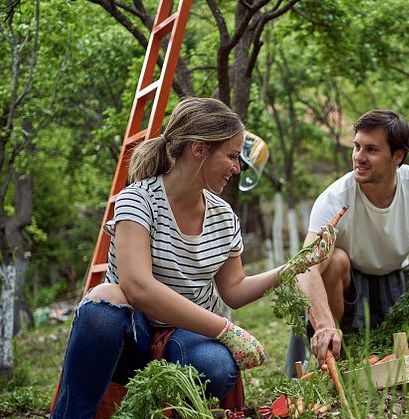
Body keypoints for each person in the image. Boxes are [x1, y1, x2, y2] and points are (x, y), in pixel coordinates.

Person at [52, 98, 324, 418]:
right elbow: (137, 286)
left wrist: (292, 267)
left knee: (217, 369)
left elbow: (233, 290)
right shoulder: (138, 200)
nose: (237, 167)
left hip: (186, 334)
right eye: (232, 156)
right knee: (103, 301)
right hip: (132, 334)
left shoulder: (223, 216)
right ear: (199, 149)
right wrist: (226, 331)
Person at [286, 110, 409, 373]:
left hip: (400, 280)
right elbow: (306, 266)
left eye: (371, 149)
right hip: (351, 290)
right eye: (357, 146)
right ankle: (337, 353)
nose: (359, 157)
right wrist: (323, 324)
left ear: (397, 156)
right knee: (334, 260)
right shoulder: (335, 198)